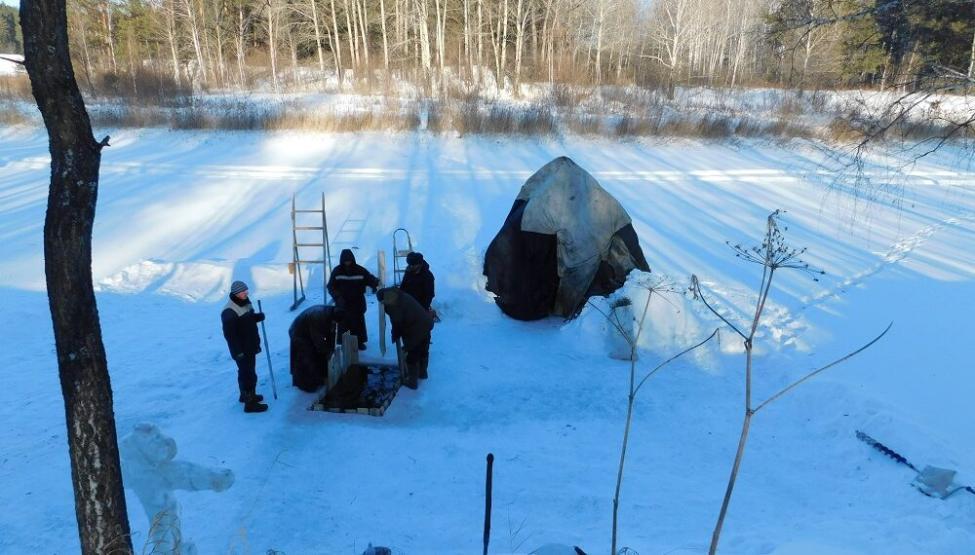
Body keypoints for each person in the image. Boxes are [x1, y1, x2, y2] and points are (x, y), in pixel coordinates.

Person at [220, 280, 268, 413]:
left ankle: (245, 395)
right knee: (249, 374)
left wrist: (257, 317)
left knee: (245, 371)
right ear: (236, 293)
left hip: (250, 344)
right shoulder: (229, 312)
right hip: (241, 349)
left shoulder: (245, 302)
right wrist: (238, 352)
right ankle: (250, 404)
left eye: (246, 291)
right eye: (243, 291)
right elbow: (230, 336)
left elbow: (248, 320)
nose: (246, 293)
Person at [377, 287, 433, 390]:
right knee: (423, 350)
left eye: (381, 302)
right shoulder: (398, 295)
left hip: (416, 327)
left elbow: (397, 323)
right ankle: (422, 373)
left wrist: (395, 335)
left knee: (412, 354)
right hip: (426, 322)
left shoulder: (392, 304)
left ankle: (412, 382)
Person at [327, 249, 379, 350]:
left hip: (357, 301)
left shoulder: (360, 270)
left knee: (358, 323)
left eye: (349, 260)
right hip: (343, 302)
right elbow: (331, 286)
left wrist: (374, 282)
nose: (347, 262)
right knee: (344, 324)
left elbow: (368, 278)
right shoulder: (337, 271)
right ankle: (344, 343)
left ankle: (359, 342)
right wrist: (337, 297)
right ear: (342, 260)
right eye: (345, 260)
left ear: (353, 259)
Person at [288, 304, 345, 392]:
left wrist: (331, 348)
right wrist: (327, 352)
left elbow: (331, 334)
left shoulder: (330, 314)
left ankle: (320, 376)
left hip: (308, 331)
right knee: (307, 357)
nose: (334, 324)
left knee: (319, 353)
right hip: (298, 333)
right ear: (333, 318)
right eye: (334, 322)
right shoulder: (318, 317)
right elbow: (318, 340)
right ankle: (306, 384)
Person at [399, 252, 436, 319]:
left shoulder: (428, 276)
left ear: (419, 264)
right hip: (408, 301)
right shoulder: (409, 271)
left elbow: (429, 295)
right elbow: (403, 286)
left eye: (413, 265)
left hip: (420, 304)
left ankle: (430, 314)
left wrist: (423, 309)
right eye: (410, 265)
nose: (411, 266)